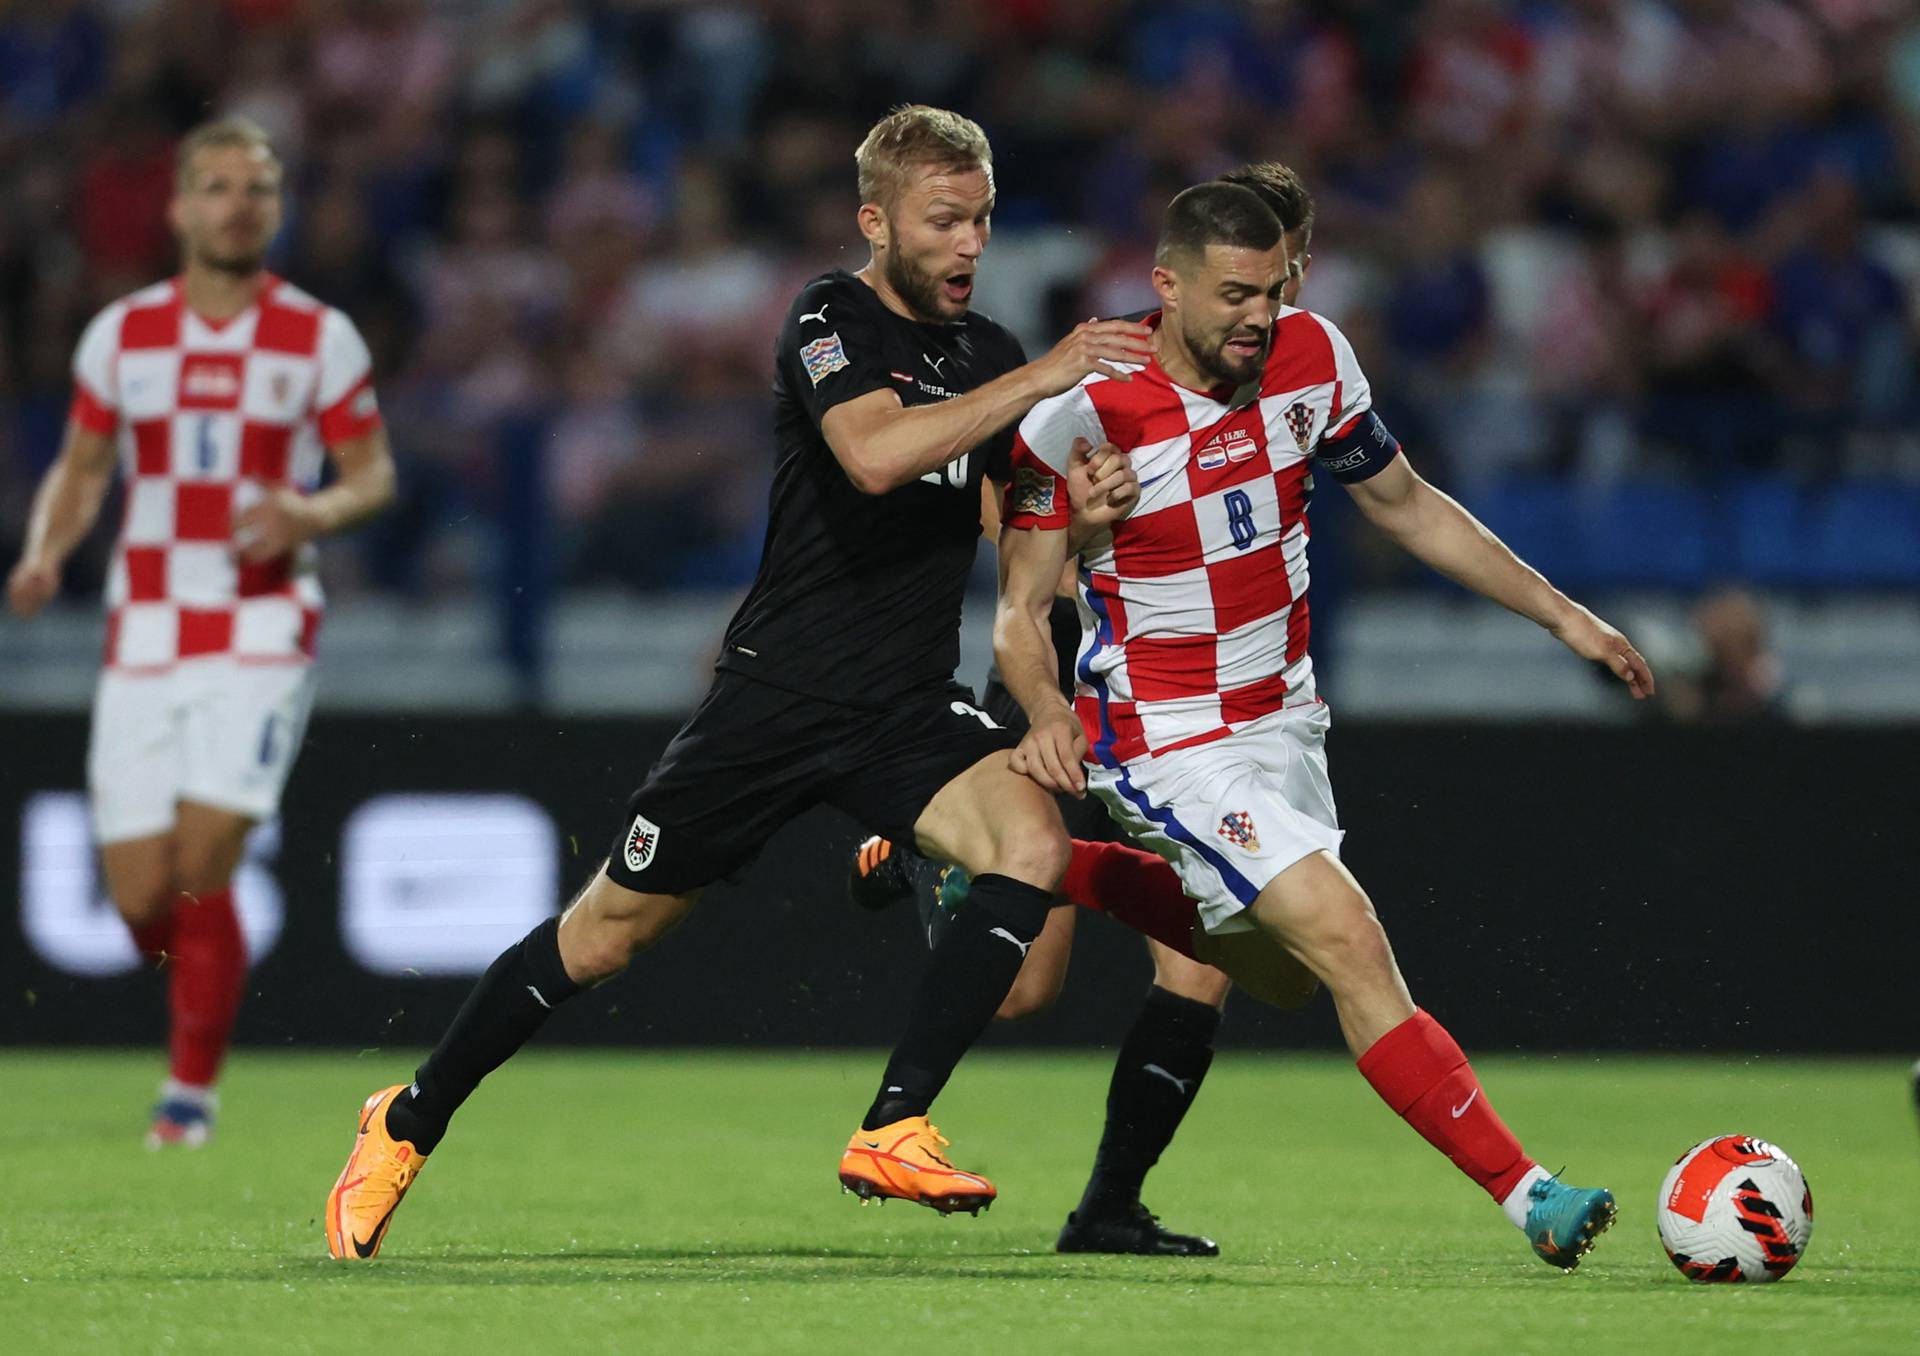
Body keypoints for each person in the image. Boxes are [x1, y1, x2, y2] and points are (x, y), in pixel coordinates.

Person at [322, 105, 1154, 1260]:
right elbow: (870, 457)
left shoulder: (993, 357)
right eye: (945, 220)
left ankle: (895, 1122)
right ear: (878, 221)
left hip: (905, 704)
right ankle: (405, 1121)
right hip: (776, 695)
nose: (971, 244)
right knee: (604, 935)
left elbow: (999, 522)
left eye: (984, 220)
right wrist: (1052, 379)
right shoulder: (831, 316)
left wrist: (1081, 524)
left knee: (1033, 845)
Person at [995, 180, 1656, 1270]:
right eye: (1236, 294)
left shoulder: (1314, 357)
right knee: (1347, 938)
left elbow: (1404, 504)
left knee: (1272, 971)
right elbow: (1020, 608)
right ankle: (1529, 1193)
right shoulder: (1083, 411)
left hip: (1286, 727)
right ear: (1165, 286)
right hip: (1166, 736)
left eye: (1278, 288)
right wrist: (1047, 704)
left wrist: (1563, 615)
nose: (1261, 315)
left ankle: (1045, 868)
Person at [847, 162, 1323, 1257]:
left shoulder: (1283, 385)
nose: (1274, 301)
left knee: (1207, 954)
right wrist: (1091, 540)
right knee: (1023, 998)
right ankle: (920, 833)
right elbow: (1019, 549)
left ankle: (1109, 1206)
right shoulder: (1105, 382)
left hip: (1189, 724)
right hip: (1058, 692)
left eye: (1288, 280)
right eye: (1258, 279)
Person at [4, 116, 397, 1148]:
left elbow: (372, 476)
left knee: (207, 854)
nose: (238, 204)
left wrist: (310, 513)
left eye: (257, 187)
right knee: (141, 895)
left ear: (276, 207)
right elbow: (85, 469)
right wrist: (46, 552)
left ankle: (189, 1094)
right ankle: (200, 990)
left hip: (262, 625)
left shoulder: (318, 334)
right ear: (180, 207)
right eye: (218, 186)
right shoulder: (122, 333)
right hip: (144, 631)